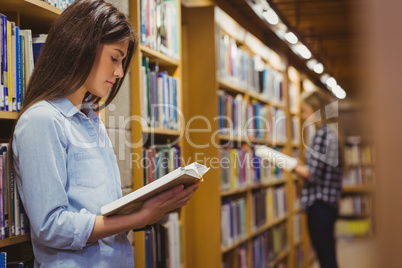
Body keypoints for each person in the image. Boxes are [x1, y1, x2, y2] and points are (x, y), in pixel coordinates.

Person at [10, 0, 199, 267]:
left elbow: (100, 212)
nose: (119, 72)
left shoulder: (91, 121)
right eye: (114, 58)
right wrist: (140, 217)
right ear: (81, 45)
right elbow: (50, 226)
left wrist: (151, 205)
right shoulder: (42, 120)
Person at [293, 90, 343, 268]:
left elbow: (312, 173)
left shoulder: (322, 133)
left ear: (317, 109)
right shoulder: (331, 132)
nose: (302, 115)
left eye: (305, 110)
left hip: (319, 204)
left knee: (325, 256)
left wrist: (291, 166)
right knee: (327, 253)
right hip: (328, 204)